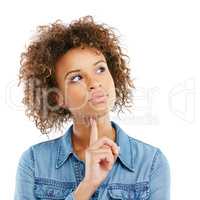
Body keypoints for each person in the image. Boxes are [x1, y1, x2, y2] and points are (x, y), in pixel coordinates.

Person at [14, 16, 170, 200]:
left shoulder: (151, 163)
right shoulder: (34, 162)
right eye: (77, 78)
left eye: (100, 69)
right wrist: (87, 186)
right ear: (58, 97)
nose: (94, 83)